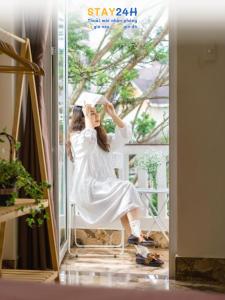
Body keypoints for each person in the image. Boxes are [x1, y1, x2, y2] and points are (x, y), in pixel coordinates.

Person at [67, 101, 163, 266]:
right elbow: (88, 141)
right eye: (92, 114)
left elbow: (125, 134)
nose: (97, 116)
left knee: (127, 202)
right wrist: (86, 113)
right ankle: (138, 236)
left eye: (97, 113)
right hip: (90, 191)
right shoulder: (77, 138)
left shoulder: (103, 139)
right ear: (82, 118)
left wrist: (112, 114)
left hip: (105, 188)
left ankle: (142, 252)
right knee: (127, 187)